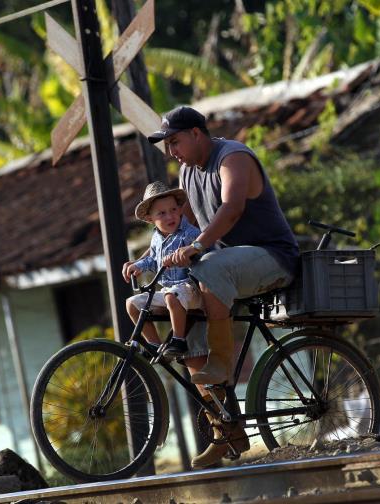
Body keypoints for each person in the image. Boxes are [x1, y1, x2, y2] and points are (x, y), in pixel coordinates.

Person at [147, 105, 300, 468]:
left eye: (176, 142)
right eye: (168, 146)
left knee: (209, 265)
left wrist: (198, 248)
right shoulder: (186, 174)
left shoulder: (233, 157)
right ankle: (225, 428)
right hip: (224, 269)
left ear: (197, 134)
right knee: (186, 331)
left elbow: (229, 210)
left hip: (271, 258)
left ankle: (222, 362)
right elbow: (185, 231)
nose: (172, 152)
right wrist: (154, 259)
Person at [122, 181, 203, 360]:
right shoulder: (156, 238)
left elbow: (203, 249)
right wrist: (137, 265)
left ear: (180, 210)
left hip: (191, 289)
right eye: (162, 213)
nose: (170, 216)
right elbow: (152, 260)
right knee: (132, 304)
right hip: (169, 291)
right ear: (151, 219)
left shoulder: (189, 233)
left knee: (171, 296)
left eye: (173, 210)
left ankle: (178, 340)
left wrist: (187, 255)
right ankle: (154, 344)